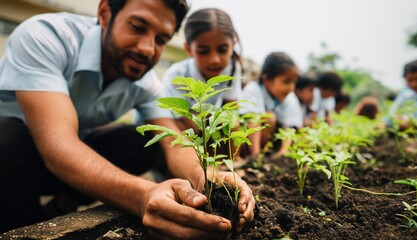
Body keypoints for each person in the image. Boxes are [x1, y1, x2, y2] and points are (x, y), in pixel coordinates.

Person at [0, 0, 255, 237]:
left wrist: (211, 178)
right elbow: (57, 143)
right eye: (137, 26)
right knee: (7, 136)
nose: (147, 48)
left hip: (63, 169)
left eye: (161, 39)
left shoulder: (145, 83)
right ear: (104, 13)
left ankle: (62, 205)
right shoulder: (46, 36)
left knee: (141, 140)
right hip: (13, 165)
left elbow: (174, 143)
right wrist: (143, 195)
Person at [162, 8, 242, 132]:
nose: (214, 60)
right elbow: (185, 124)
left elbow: (232, 115)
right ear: (189, 50)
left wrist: (235, 151)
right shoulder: (177, 76)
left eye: (222, 50)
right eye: (203, 51)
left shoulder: (232, 68)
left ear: (233, 44)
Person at [239, 52, 298, 157]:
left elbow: (290, 128)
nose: (291, 87)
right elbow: (254, 122)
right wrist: (256, 155)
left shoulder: (290, 97)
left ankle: (268, 154)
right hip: (246, 141)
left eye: (293, 82)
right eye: (286, 82)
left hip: (270, 142)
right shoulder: (254, 89)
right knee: (269, 117)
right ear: (267, 80)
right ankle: (256, 155)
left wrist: (283, 153)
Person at [387, 58, 417, 130]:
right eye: (410, 80)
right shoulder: (405, 95)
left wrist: (411, 123)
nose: (414, 84)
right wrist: (396, 119)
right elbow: (390, 118)